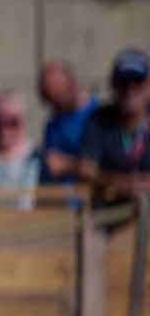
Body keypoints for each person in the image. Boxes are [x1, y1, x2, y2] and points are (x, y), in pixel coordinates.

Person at [76, 49, 150, 230]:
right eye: (123, 83)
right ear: (113, 85)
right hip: (109, 217)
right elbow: (86, 169)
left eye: (137, 83)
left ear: (148, 86)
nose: (130, 90)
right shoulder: (98, 120)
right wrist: (118, 182)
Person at [38, 60, 98, 185]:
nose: (53, 107)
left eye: (57, 99)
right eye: (48, 100)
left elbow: (109, 170)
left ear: (73, 86)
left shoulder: (98, 117)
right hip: (59, 200)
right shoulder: (53, 123)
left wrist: (68, 165)